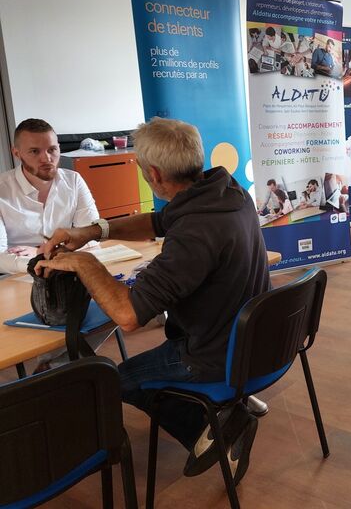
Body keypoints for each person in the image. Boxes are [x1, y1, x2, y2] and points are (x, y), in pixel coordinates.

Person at [36, 118, 269, 485]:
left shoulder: (194, 233)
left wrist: (84, 262)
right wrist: (94, 231)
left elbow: (128, 316)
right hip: (255, 341)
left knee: (116, 380)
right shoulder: (225, 192)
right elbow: (159, 221)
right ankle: (221, 416)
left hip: (212, 355)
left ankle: (216, 429)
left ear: (154, 174)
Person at [0, 118, 99, 274]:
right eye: (34, 151)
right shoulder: (2, 188)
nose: (46, 159)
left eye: (52, 149)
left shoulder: (73, 181)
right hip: (18, 275)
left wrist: (41, 253)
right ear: (17, 153)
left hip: (66, 272)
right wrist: (42, 261)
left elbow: (92, 236)